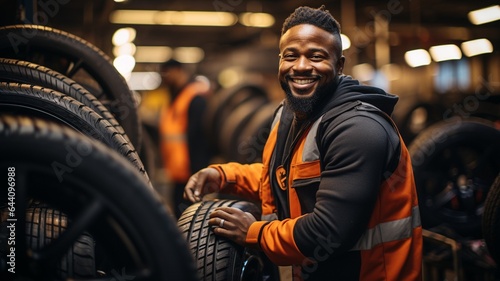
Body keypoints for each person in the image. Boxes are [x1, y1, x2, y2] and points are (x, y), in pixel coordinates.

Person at [184, 5, 422, 281]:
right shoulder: (289, 115)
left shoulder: (359, 129)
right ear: (280, 61)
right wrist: (225, 176)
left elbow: (328, 232)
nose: (301, 66)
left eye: (316, 56)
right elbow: (284, 180)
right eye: (291, 56)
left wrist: (254, 232)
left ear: (340, 65)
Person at [158, 59, 211, 218]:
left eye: (167, 72)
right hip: (177, 171)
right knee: (179, 214)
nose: (164, 77)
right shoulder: (175, 96)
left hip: (191, 171)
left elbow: (199, 138)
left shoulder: (194, 98)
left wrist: (198, 171)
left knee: (189, 216)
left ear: (179, 71)